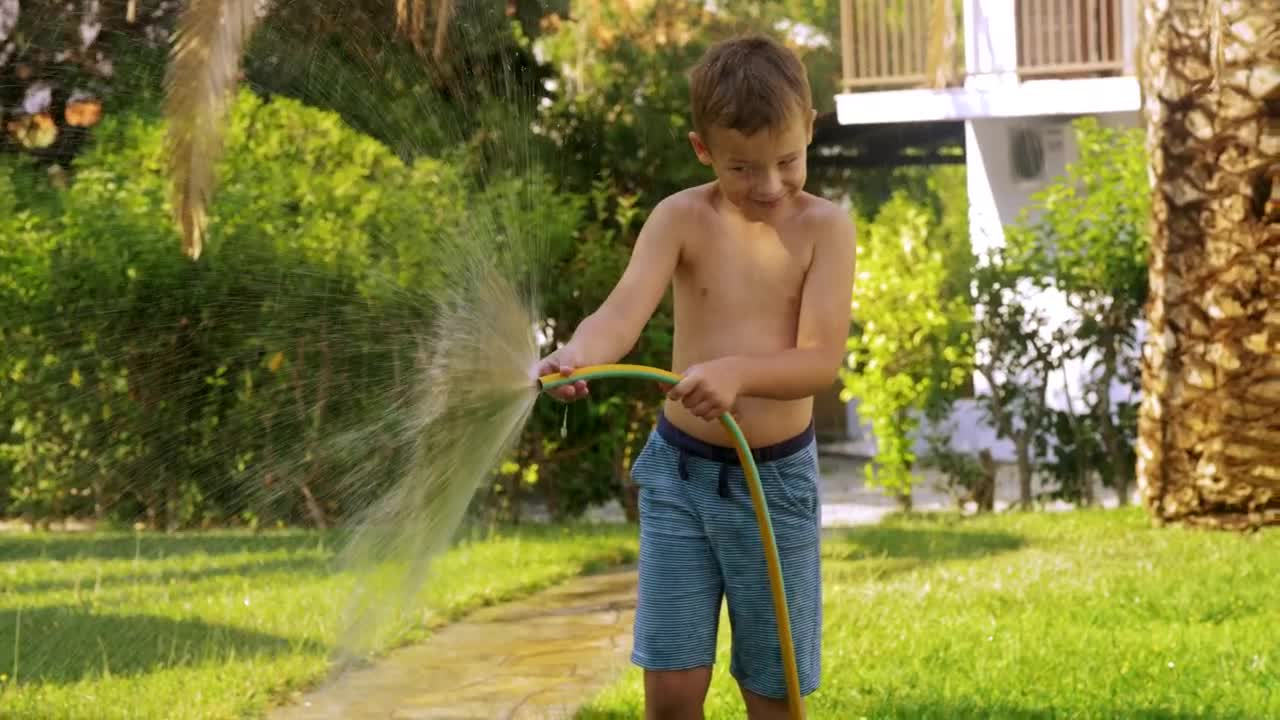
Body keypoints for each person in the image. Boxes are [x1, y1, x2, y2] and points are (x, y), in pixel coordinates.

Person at [534, 33, 856, 720]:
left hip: (774, 485)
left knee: (775, 692)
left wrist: (737, 373)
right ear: (702, 149)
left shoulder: (826, 230)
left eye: (787, 161)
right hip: (680, 477)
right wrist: (577, 353)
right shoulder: (679, 219)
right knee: (673, 691)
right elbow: (620, 314)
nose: (768, 186)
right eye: (742, 168)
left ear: (810, 130)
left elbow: (819, 361)